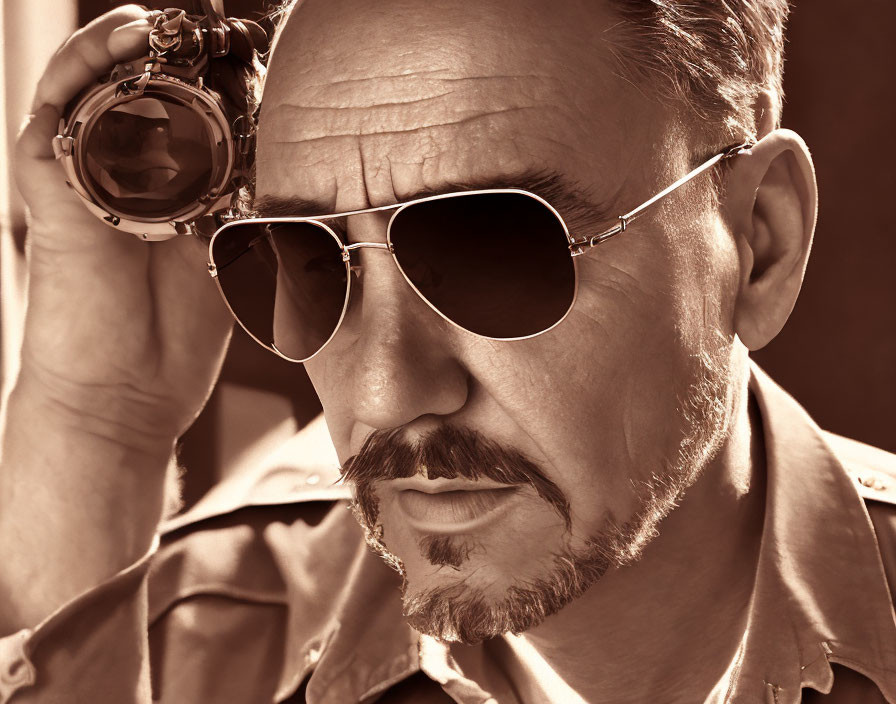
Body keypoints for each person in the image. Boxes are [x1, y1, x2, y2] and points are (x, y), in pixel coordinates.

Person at [1, 1, 894, 702]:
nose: (386, 392)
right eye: (309, 257)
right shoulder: (204, 641)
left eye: (494, 252)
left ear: (759, 244)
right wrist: (103, 417)